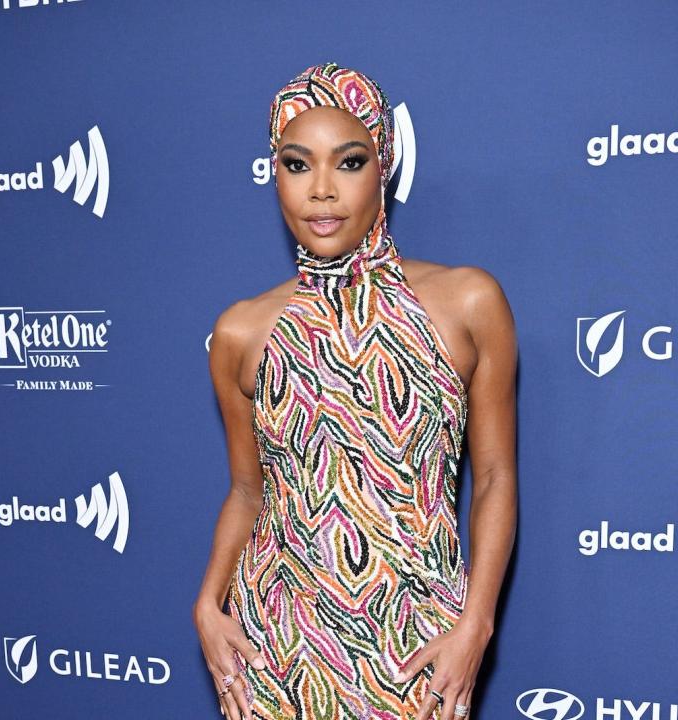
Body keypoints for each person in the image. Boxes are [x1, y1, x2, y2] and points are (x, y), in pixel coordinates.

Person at [194, 62, 517, 720]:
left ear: (384, 166)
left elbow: (494, 478)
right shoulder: (241, 331)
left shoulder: (468, 301)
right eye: (295, 164)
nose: (320, 191)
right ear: (274, 175)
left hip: (415, 646)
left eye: (348, 162)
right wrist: (207, 603)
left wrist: (475, 627)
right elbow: (247, 490)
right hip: (275, 646)